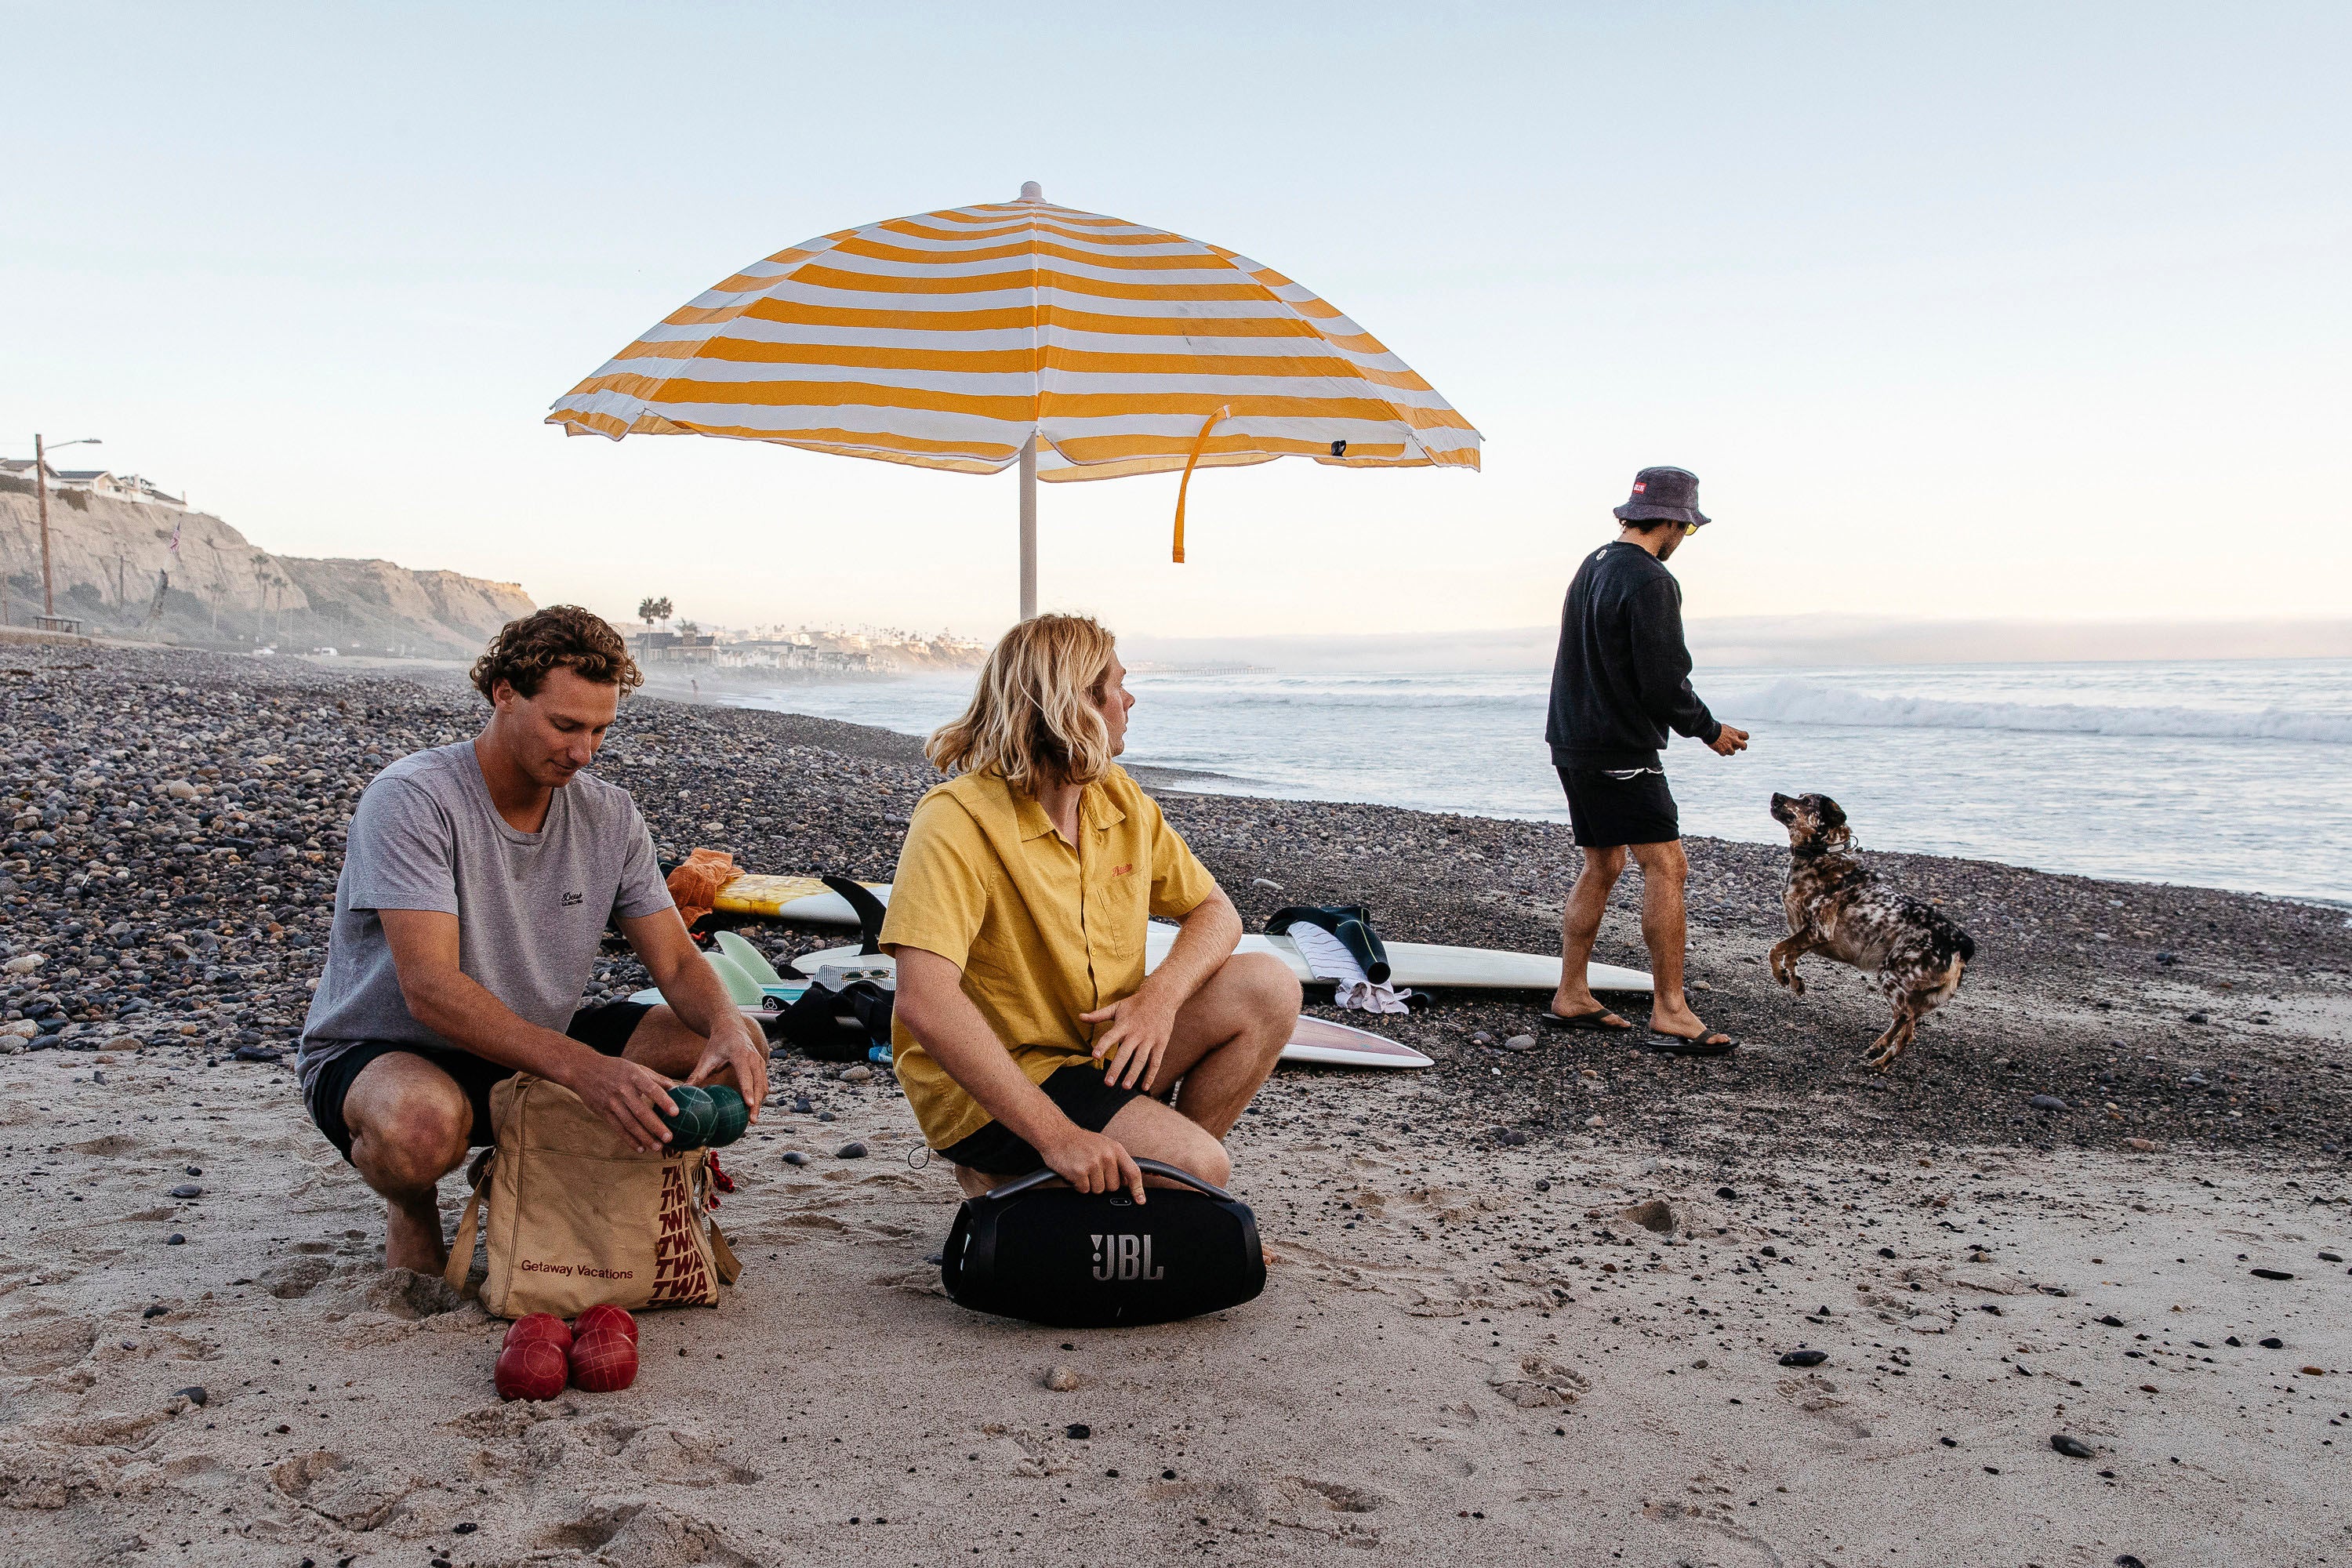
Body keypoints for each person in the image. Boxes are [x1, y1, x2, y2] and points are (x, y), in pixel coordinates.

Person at [296, 606, 771, 1273]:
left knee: (735, 1045)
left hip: (532, 1045)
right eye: (565, 726)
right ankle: (411, 1203)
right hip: (391, 1050)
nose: (584, 752)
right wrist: (586, 1070)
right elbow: (429, 988)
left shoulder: (610, 815)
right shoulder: (413, 799)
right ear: (504, 693)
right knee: (419, 1130)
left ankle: (559, 1179)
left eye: (600, 730)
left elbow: (673, 958)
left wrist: (723, 1022)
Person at [881, 615, 1298, 1203]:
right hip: (1001, 1079)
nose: (1130, 700)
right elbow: (925, 1001)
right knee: (1201, 1165)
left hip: (1097, 1054)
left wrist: (1159, 1000)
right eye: (1117, 686)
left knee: (1268, 986)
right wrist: (1058, 1136)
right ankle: (1057, 1176)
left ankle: (1146, 1191)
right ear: (1072, 705)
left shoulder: (1115, 796)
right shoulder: (956, 819)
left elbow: (1216, 912)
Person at [1544, 466, 1751, 1052]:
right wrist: (1708, 729)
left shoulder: (1594, 564)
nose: (1685, 538)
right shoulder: (1651, 579)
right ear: (1671, 522)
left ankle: (1572, 993)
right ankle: (1671, 1009)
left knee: (1604, 863)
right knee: (1667, 866)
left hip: (1571, 739)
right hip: (1619, 749)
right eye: (1688, 527)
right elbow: (1662, 679)